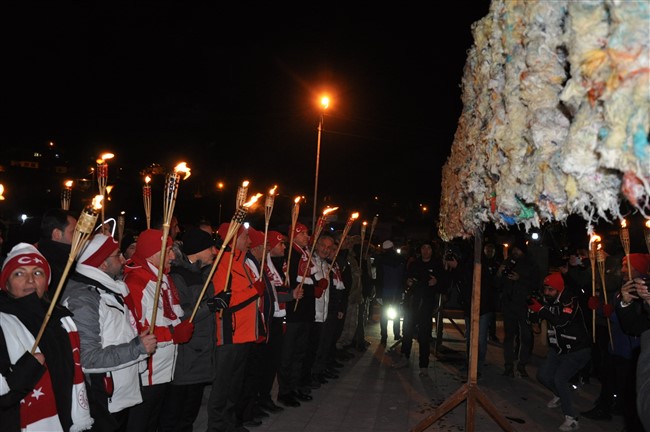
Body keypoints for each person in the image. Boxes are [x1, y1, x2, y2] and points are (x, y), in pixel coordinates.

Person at [63, 234, 157, 431]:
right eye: (117, 255)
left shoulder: (110, 290)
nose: (124, 259)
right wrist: (136, 348)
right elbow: (86, 358)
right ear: (102, 264)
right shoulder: (84, 299)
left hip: (118, 392)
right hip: (102, 396)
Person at [0, 243, 93, 431]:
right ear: (6, 283)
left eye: (37, 273)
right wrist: (30, 366)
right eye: (19, 273)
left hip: (64, 419)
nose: (30, 281)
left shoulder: (60, 319)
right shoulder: (2, 323)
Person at [122, 229, 195, 432]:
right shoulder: (137, 281)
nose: (173, 256)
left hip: (164, 369)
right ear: (154, 253)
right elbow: (137, 328)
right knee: (140, 423)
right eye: (169, 250)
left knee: (154, 422)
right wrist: (172, 334)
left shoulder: (162, 278)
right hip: (147, 372)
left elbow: (168, 316)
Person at [205, 222, 264, 432]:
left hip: (245, 334)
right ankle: (216, 427)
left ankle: (229, 424)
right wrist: (253, 291)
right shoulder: (223, 263)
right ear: (234, 239)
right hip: (230, 333)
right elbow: (224, 300)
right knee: (223, 386)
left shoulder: (242, 262)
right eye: (245, 237)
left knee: (234, 385)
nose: (249, 241)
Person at [160, 227, 218, 432]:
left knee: (189, 412)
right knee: (175, 412)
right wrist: (209, 307)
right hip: (186, 357)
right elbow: (179, 315)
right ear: (198, 250)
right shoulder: (178, 276)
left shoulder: (203, 274)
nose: (214, 252)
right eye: (210, 247)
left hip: (201, 353)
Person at [529, 272, 591, 432]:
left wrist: (541, 309)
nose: (547, 293)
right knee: (542, 375)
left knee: (559, 379)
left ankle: (572, 419)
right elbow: (538, 315)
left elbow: (561, 322)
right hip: (558, 348)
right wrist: (533, 310)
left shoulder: (569, 300)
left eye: (550, 290)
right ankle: (561, 395)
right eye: (545, 289)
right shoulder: (548, 299)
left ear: (559, 289)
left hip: (577, 349)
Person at [393, 241, 444, 376]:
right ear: (420, 250)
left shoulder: (437, 265)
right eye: (423, 248)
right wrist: (408, 282)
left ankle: (424, 365)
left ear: (432, 250)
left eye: (428, 248)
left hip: (426, 305)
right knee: (407, 332)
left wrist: (436, 282)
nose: (426, 251)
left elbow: (444, 285)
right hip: (412, 303)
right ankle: (405, 357)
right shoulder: (415, 264)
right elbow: (406, 278)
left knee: (424, 336)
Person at [277, 222, 313, 407]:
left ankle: (295, 386)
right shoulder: (290, 254)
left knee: (300, 352)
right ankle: (284, 391)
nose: (308, 236)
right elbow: (285, 281)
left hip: (305, 311)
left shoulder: (306, 255)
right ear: (295, 235)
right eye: (304, 233)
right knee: (288, 353)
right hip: (292, 312)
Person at [613, 253, 650, 431]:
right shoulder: (636, 286)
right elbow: (635, 326)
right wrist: (623, 304)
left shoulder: (643, 284)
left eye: (626, 266)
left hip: (632, 349)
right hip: (629, 350)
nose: (622, 270)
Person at [496, 239, 537, 377]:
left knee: (526, 336)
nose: (515, 252)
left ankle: (522, 364)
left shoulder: (529, 264)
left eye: (517, 250)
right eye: (514, 250)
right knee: (508, 337)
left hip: (523, 305)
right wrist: (500, 273)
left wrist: (520, 278)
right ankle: (508, 366)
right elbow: (497, 284)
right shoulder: (508, 262)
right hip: (509, 304)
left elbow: (536, 283)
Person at [36, 208, 78, 298]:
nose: (78, 237)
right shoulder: (47, 264)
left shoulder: (66, 258)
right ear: (57, 234)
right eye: (73, 232)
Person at [375, 239, 406, 345]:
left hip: (385, 291)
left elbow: (379, 278)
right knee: (397, 312)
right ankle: (397, 333)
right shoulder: (401, 259)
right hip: (397, 291)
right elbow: (403, 276)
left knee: (384, 314)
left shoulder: (381, 259)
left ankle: (384, 336)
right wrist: (403, 291)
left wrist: (378, 294)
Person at [483, 242, 502, 343]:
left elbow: (498, 280)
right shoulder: (481, 263)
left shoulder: (497, 264)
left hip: (492, 293)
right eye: (487, 250)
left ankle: (492, 334)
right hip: (482, 293)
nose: (489, 252)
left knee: (492, 315)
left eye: (491, 251)